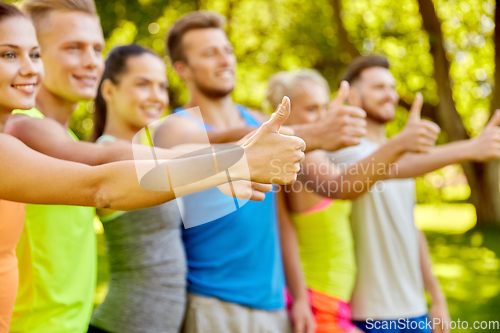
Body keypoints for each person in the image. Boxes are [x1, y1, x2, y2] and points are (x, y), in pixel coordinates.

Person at [4, 2, 305, 332]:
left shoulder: (55, 135)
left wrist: (228, 161)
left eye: (32, 54)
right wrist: (232, 160)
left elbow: (146, 157)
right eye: (9, 54)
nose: (92, 61)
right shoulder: (24, 128)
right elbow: (101, 180)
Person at [155, 11, 369, 333]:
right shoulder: (174, 128)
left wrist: (298, 297)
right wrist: (317, 133)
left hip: (273, 306)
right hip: (214, 302)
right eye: (209, 53)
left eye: (226, 50)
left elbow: (280, 219)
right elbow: (232, 144)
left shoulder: (260, 120)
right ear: (182, 69)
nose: (224, 60)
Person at [330, 55, 500, 333]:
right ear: (354, 97)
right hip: (367, 315)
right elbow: (388, 166)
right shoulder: (340, 151)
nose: (390, 95)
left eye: (392, 87)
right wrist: (469, 148)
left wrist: (437, 296)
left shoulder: (401, 154)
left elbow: (409, 226)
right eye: (379, 88)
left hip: (414, 310)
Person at [266, 69, 441, 333]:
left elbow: (392, 170)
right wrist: (300, 298)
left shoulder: (326, 157)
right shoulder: (299, 161)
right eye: (312, 109)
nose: (323, 117)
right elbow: (287, 230)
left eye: (326, 107)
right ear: (284, 115)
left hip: (340, 302)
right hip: (319, 298)